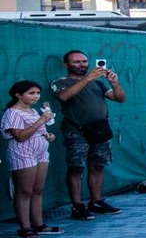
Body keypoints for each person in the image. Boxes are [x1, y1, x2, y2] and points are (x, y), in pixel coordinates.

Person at [52, 50, 126, 219]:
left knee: (98, 166)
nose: (82, 65)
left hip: (99, 129)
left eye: (84, 61)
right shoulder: (61, 82)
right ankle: (77, 206)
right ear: (66, 64)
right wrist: (88, 78)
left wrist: (115, 83)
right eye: (77, 62)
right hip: (76, 131)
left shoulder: (98, 84)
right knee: (76, 168)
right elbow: (64, 96)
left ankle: (96, 201)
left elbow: (120, 98)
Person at [4, 81, 60, 238]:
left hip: (41, 152)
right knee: (24, 191)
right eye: (31, 93)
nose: (35, 96)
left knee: (37, 189)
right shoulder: (12, 113)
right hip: (23, 153)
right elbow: (20, 136)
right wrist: (41, 120)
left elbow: (40, 131)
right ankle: (25, 227)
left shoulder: (33, 111)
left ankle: (39, 224)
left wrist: (49, 136)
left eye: (37, 93)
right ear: (18, 95)